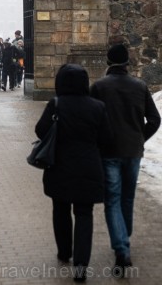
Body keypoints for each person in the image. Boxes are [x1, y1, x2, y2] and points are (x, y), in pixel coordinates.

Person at [35, 63, 113, 282]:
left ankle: (64, 251)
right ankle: (80, 267)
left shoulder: (56, 104)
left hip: (59, 166)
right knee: (84, 214)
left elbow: (40, 130)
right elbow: (106, 139)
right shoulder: (98, 106)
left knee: (60, 209)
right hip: (88, 167)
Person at [90, 44, 161, 276]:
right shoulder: (139, 86)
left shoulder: (99, 86)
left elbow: (92, 119)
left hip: (109, 151)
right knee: (127, 198)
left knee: (112, 200)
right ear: (127, 63)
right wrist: (140, 138)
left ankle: (121, 247)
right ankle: (123, 239)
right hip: (132, 151)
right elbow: (154, 119)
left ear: (109, 62)